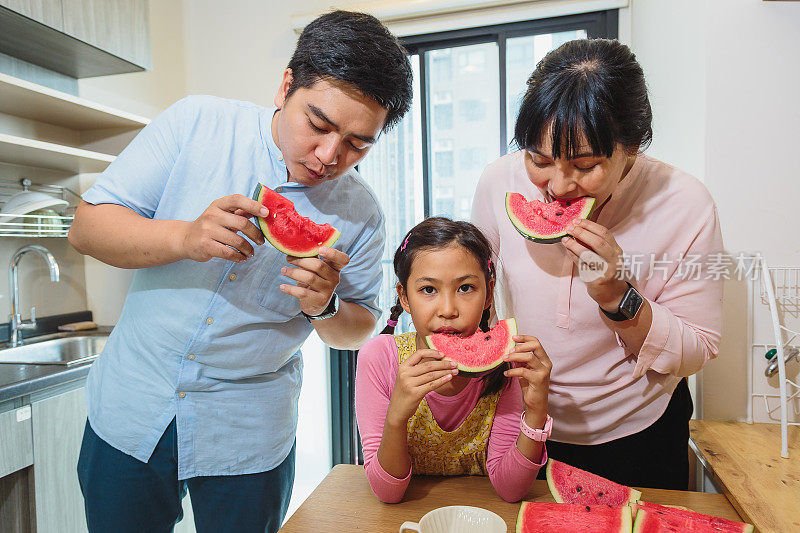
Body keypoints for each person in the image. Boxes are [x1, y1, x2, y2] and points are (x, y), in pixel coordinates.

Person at [67, 10, 412, 533]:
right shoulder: (196, 123)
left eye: (358, 144)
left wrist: (326, 305)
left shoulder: (361, 213)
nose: (328, 155)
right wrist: (183, 237)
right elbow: (87, 228)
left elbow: (359, 326)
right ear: (285, 86)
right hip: (133, 403)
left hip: (249, 427)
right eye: (318, 125)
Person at [471, 38, 723, 490]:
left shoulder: (686, 204)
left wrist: (615, 295)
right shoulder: (497, 183)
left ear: (631, 147)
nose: (558, 185)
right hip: (525, 422)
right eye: (539, 159)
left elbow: (696, 350)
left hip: (639, 431)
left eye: (585, 164)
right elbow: (478, 297)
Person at [354, 217, 552, 504]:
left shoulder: (507, 363)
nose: (448, 310)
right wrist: (396, 418)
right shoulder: (379, 357)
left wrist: (536, 411)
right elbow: (388, 493)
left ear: (488, 292)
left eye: (466, 288)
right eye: (429, 290)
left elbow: (510, 490)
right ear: (404, 297)